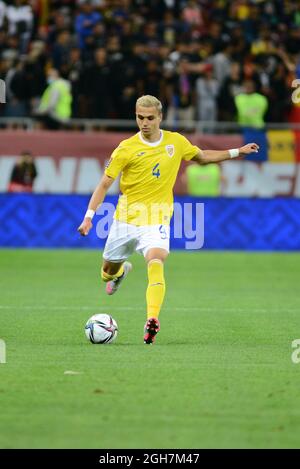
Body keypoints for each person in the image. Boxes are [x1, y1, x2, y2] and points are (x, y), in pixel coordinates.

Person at [78, 95, 259, 344]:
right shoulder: (125, 148)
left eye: (150, 118)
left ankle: (152, 319)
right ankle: (118, 273)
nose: (145, 123)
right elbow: (104, 183)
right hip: (124, 220)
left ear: (160, 117)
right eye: (140, 117)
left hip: (157, 219)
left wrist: (237, 151)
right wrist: (89, 217)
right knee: (106, 273)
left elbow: (203, 157)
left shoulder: (176, 142)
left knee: (156, 259)